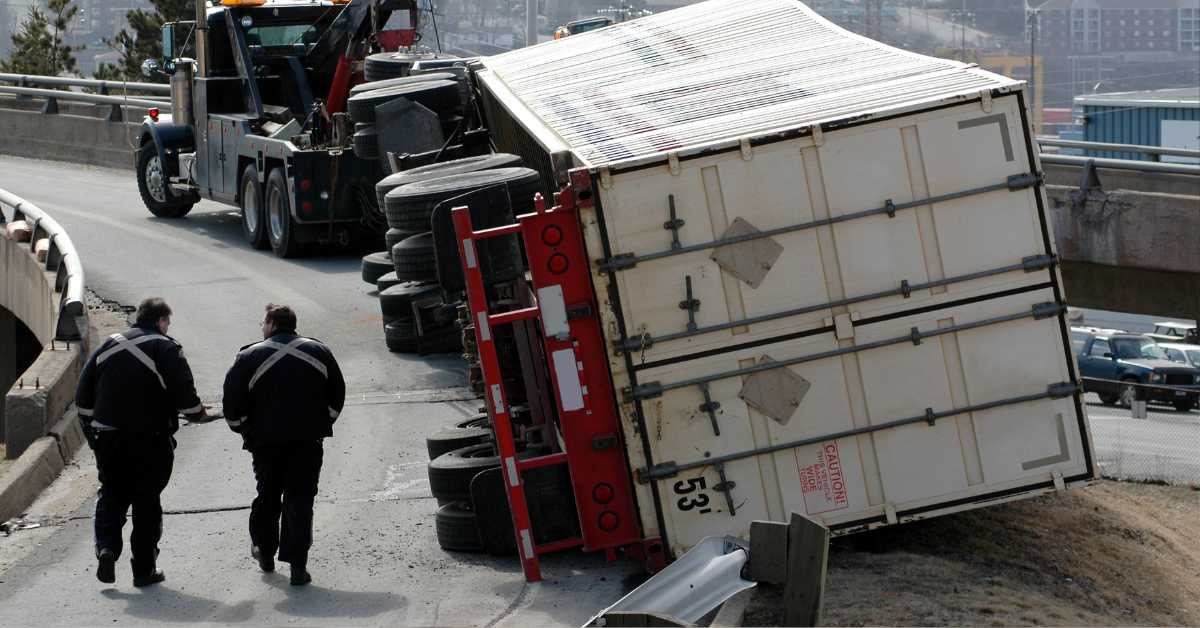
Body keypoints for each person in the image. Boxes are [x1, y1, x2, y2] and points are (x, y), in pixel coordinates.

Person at [75, 297, 208, 587]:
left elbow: (83, 400)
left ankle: (107, 549)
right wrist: (197, 413)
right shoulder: (165, 347)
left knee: (111, 494)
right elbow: (184, 393)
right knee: (147, 502)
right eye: (167, 323)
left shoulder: (107, 345)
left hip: (108, 437)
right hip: (151, 439)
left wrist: (94, 437)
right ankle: (143, 570)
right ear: (161, 321)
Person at [222, 304, 345, 586]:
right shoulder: (319, 351)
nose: (261, 328)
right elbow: (337, 393)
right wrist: (321, 424)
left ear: (271, 324)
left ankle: (265, 551)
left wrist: (244, 431)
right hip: (307, 441)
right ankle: (298, 565)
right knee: (300, 499)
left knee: (267, 495)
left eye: (263, 323)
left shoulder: (248, 356)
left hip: (265, 443)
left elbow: (232, 403)